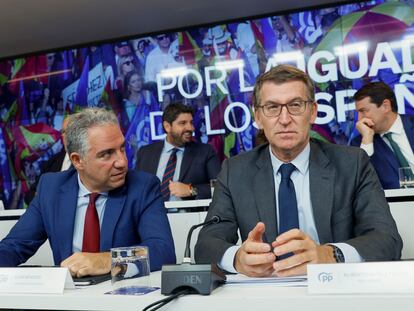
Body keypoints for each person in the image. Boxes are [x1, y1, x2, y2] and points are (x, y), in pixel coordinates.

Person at [195, 65, 402, 277]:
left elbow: (387, 240)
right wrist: (237, 259)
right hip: (264, 296)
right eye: (272, 108)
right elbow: (206, 245)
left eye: (295, 105)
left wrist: (329, 255)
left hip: (333, 291)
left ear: (313, 112)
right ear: (258, 117)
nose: (284, 119)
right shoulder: (235, 171)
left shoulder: (352, 163)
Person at [0, 108, 175, 276]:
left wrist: (108, 260)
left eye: (122, 148)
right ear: (77, 160)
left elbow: (163, 251)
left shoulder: (143, 186)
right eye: (107, 154)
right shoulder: (51, 188)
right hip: (68, 300)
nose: (122, 162)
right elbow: (14, 246)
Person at [136, 103, 220, 201]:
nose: (190, 128)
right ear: (167, 126)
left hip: (189, 214)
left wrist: (192, 190)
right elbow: (137, 189)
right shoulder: (145, 153)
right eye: (183, 123)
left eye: (191, 123)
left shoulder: (205, 152)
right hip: (152, 214)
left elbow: (220, 188)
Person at [351, 82, 414, 189]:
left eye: (363, 111)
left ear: (385, 106)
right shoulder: (360, 144)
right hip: (395, 205)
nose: (359, 119)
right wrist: (367, 141)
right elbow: (359, 184)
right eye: (358, 112)